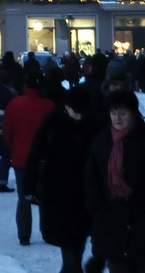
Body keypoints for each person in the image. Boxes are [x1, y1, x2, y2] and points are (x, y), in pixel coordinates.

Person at [84, 91, 145, 273]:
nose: (117, 118)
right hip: (112, 224)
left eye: (123, 113)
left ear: (134, 113)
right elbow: (91, 179)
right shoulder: (102, 140)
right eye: (113, 113)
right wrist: (98, 212)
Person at [24, 90, 102, 273]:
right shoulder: (53, 124)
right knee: (71, 253)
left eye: (83, 112)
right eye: (77, 111)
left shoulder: (93, 123)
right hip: (60, 196)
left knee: (77, 248)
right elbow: (35, 155)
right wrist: (30, 185)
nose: (80, 116)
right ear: (67, 106)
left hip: (86, 195)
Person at [0, 69, 56, 245]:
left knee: (23, 196)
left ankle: (24, 234)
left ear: (26, 85)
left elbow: (7, 130)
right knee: (44, 196)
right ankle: (47, 231)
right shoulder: (49, 106)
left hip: (21, 157)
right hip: (43, 158)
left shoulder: (15, 104)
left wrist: (12, 148)